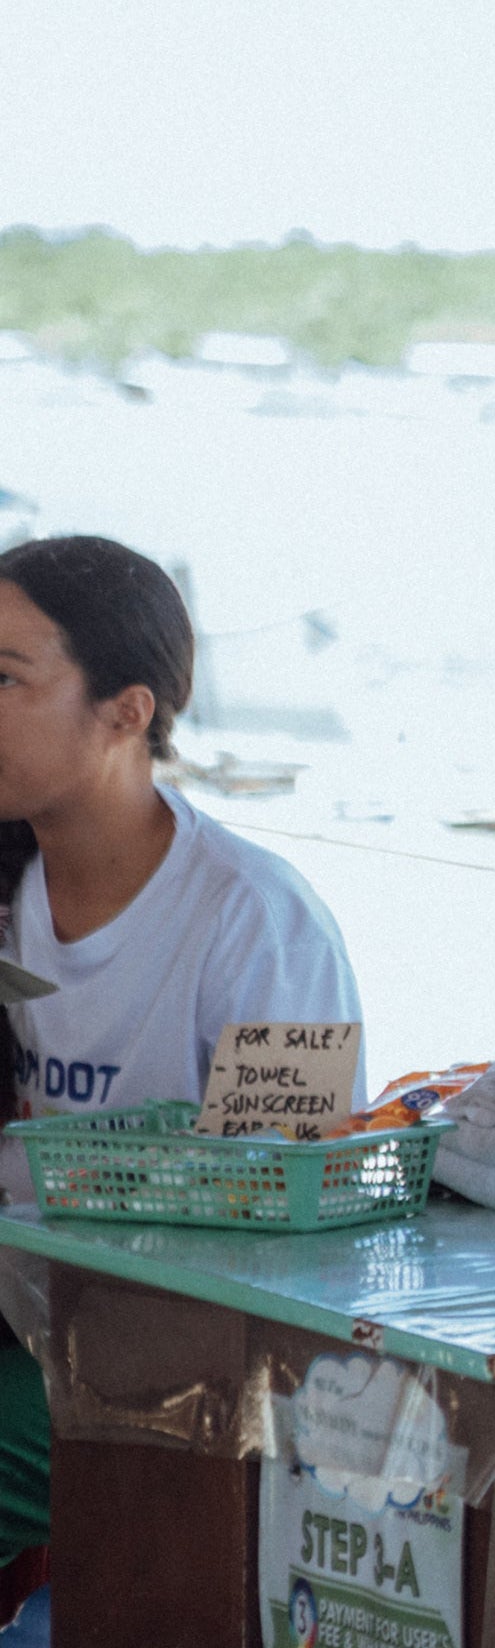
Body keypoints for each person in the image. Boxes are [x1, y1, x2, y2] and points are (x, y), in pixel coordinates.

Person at [0, 535, 363, 1583]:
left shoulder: (261, 923)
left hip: (176, 1352)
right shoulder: (8, 887)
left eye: (7, 678)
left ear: (128, 710)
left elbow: (298, 1206)